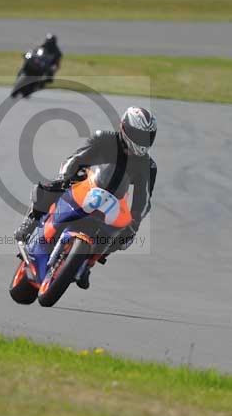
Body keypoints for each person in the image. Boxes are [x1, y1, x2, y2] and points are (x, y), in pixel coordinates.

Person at [13, 106, 157, 289]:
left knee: (123, 236)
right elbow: (75, 159)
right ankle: (30, 221)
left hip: (113, 203)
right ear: (124, 128)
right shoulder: (104, 139)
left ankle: (87, 263)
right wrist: (63, 179)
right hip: (86, 184)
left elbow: (143, 201)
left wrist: (134, 225)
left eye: (148, 137)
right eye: (138, 134)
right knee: (48, 188)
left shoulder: (148, 166)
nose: (143, 141)